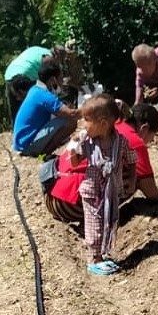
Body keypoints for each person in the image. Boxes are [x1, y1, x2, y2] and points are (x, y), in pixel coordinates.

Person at [59, 95, 137, 276]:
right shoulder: (88, 142)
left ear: (103, 124)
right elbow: (74, 162)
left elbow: (131, 159)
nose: (83, 125)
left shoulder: (121, 142)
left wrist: (131, 180)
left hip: (111, 192)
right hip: (92, 190)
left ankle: (102, 254)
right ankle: (93, 259)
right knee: (94, 224)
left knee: (108, 223)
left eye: (87, 120)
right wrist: (74, 146)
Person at [12, 58, 82, 157]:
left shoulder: (35, 90)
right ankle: (46, 153)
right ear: (53, 79)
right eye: (60, 77)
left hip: (22, 143)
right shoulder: (44, 95)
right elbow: (71, 114)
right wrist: (93, 108)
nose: (61, 81)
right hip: (27, 145)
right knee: (70, 121)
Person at [117, 103, 158, 203]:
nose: (151, 141)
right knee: (137, 177)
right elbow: (151, 191)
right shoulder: (135, 142)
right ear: (144, 129)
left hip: (80, 189)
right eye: (152, 136)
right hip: (88, 204)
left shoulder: (117, 126)